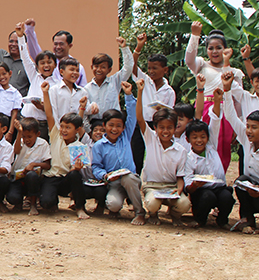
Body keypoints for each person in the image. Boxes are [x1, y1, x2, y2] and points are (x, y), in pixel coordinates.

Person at [224, 74, 259, 233]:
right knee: (241, 181)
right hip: (250, 187)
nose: (248, 131)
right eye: (248, 126)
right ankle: (247, 218)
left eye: (254, 128)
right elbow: (231, 116)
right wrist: (227, 91)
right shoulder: (246, 139)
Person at [185, 22, 244, 172]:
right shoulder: (201, 65)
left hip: (227, 112)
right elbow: (189, 59)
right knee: (202, 143)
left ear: (226, 49)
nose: (215, 51)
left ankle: (219, 178)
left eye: (219, 47)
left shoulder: (235, 72)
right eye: (211, 48)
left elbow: (238, 101)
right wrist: (194, 35)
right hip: (204, 109)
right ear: (206, 50)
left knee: (223, 147)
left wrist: (238, 123)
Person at [38, 80, 99, 220]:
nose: (64, 130)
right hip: (51, 177)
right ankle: (52, 201)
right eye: (62, 126)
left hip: (66, 180)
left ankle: (80, 207)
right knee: (46, 204)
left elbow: (79, 120)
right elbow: (49, 115)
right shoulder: (56, 136)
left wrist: (76, 169)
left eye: (68, 128)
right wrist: (45, 93)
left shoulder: (79, 147)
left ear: (77, 130)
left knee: (75, 176)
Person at [135, 79, 192, 226]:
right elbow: (140, 119)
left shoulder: (181, 150)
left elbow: (180, 178)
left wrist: (178, 192)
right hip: (153, 186)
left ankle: (175, 214)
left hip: (171, 187)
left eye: (169, 128)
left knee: (184, 204)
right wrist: (140, 92)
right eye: (161, 127)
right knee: (152, 203)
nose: (165, 131)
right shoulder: (151, 138)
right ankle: (153, 214)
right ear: (155, 127)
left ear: (174, 128)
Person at [90, 82, 145, 225]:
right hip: (114, 183)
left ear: (123, 127)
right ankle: (115, 209)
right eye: (111, 125)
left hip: (131, 180)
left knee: (128, 178)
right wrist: (105, 175)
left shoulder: (125, 136)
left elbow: (132, 115)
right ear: (104, 126)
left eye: (118, 126)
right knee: (113, 204)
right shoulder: (98, 146)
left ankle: (140, 212)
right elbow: (96, 166)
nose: (115, 129)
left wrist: (128, 95)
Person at [185, 76, 235, 229]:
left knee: (227, 197)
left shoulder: (211, 147)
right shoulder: (189, 158)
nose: (199, 141)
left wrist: (218, 102)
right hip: (202, 190)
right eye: (195, 137)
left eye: (202, 137)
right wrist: (195, 185)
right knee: (207, 196)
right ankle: (200, 219)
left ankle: (222, 220)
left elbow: (215, 121)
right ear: (188, 140)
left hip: (219, 186)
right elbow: (188, 184)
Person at [130, 34, 177, 174]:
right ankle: (135, 179)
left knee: (158, 154)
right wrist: (138, 47)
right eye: (149, 68)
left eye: (155, 68)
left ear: (165, 70)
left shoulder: (169, 91)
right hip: (142, 123)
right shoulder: (144, 80)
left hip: (158, 126)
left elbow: (171, 112)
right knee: (136, 153)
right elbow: (132, 66)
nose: (151, 71)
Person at [15, 24, 58, 140]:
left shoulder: (57, 84)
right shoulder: (34, 76)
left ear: (55, 65)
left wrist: (42, 107)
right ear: (38, 66)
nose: (46, 66)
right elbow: (25, 58)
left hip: (42, 124)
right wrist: (20, 37)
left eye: (49, 62)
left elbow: (55, 109)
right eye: (42, 63)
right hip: (25, 119)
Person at [23, 19, 88, 86]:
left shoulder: (77, 67)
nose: (58, 47)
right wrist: (30, 30)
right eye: (55, 44)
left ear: (70, 45)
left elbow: (82, 89)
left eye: (61, 44)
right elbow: (34, 49)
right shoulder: (48, 61)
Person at [6, 117, 50, 215]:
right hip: (18, 178)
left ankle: (33, 203)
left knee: (32, 176)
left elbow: (47, 165)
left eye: (29, 137)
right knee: (12, 197)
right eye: (24, 136)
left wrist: (34, 164)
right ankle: (18, 203)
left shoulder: (43, 144)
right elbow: (16, 151)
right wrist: (19, 133)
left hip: (33, 179)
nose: (26, 140)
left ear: (37, 134)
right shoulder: (20, 141)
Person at [82, 38, 133, 118]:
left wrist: (124, 48)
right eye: (96, 66)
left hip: (112, 123)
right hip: (96, 126)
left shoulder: (115, 81)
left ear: (109, 70)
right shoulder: (86, 89)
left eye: (103, 67)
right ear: (92, 67)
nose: (99, 70)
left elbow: (128, 68)